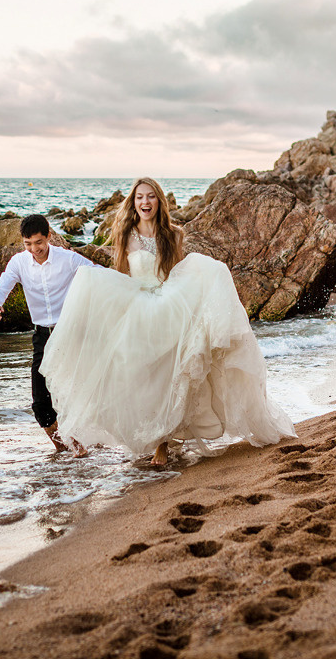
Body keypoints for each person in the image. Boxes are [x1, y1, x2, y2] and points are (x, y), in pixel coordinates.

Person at [40, 178, 295, 466]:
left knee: (169, 372)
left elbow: (176, 273)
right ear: (133, 202)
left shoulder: (173, 234)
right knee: (139, 373)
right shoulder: (124, 233)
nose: (145, 202)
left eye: (150, 197)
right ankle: (149, 432)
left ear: (159, 201)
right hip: (136, 305)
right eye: (139, 198)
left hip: (167, 303)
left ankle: (163, 443)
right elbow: (122, 274)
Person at [0, 214, 93, 456]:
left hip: (70, 332)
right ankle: (64, 450)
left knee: (68, 394)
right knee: (40, 402)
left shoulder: (69, 259)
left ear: (49, 237)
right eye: (28, 244)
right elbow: (1, 287)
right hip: (42, 337)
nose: (34, 249)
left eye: (38, 242)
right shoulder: (19, 262)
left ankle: (79, 450)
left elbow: (98, 275)